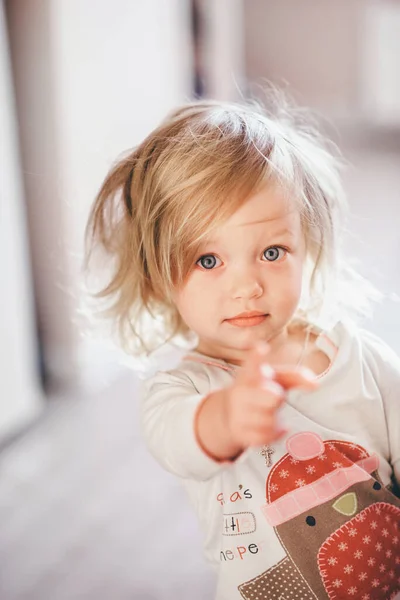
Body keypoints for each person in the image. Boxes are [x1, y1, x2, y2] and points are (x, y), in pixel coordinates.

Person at [85, 96, 400, 599]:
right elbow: (182, 442)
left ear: (308, 245)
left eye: (272, 253)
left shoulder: (359, 357)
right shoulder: (182, 392)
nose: (247, 286)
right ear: (158, 275)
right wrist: (228, 417)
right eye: (208, 261)